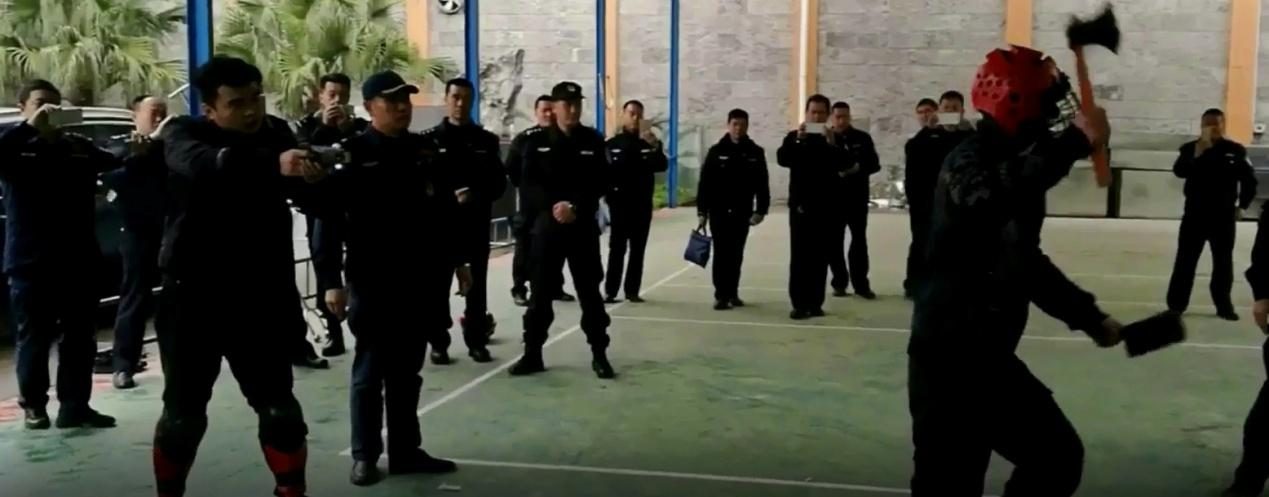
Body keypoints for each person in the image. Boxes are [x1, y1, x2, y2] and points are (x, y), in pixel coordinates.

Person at [908, 45, 1123, 496]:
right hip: (950, 360)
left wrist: (1088, 317)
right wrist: (1074, 143)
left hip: (986, 356)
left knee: (1056, 458)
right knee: (951, 484)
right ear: (1015, 105)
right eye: (1048, 103)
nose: (1056, 115)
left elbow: (1023, 260)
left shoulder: (1020, 165)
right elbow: (992, 198)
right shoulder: (967, 162)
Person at [152, 56, 326, 497]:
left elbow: (310, 199)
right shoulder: (184, 134)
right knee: (183, 417)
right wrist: (274, 165)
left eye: (256, 99)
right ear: (210, 109)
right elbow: (207, 165)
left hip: (259, 294)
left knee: (281, 411)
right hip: (193, 296)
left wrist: (314, 177)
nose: (251, 111)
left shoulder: (277, 134)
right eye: (236, 103)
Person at [313, 70, 466, 487]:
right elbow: (328, 220)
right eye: (391, 100)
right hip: (373, 280)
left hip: (419, 281)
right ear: (369, 107)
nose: (402, 107)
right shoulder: (353, 154)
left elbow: (445, 213)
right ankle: (365, 455)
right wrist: (330, 280)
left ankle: (405, 450)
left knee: (407, 372)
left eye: (405, 100)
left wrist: (460, 262)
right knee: (370, 371)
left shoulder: (424, 151)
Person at [0, 79, 120, 430]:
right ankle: (34, 406)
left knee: (80, 338)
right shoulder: (14, 145)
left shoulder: (77, 147)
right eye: (40, 103)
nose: (50, 110)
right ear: (23, 108)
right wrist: (29, 128)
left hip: (78, 258)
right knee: (34, 337)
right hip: (31, 262)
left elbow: (114, 161)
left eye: (56, 104)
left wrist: (143, 146)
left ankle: (75, 406)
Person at [510, 81, 614, 379]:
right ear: (554, 108)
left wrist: (574, 206)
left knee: (590, 294)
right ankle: (532, 354)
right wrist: (554, 206)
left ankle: (599, 354)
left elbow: (601, 181)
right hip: (547, 228)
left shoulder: (593, 140)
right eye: (566, 104)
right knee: (540, 295)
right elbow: (526, 184)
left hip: (581, 228)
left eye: (576, 104)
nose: (572, 109)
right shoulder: (535, 141)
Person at [421, 77, 506, 364]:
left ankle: (476, 340)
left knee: (477, 288)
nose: (460, 103)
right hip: (440, 228)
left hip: (475, 226)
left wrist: (475, 194)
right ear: (446, 99)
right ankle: (438, 342)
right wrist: (447, 197)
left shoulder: (486, 141)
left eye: (466, 98)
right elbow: (422, 185)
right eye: (455, 97)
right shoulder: (429, 141)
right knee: (436, 288)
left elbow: (498, 184)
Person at [294, 72, 369, 359]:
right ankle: (333, 333)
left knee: (359, 265)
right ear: (321, 96)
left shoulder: (358, 127)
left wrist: (347, 130)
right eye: (332, 95)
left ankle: (361, 325)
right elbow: (305, 154)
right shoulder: (306, 127)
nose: (337, 101)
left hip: (354, 207)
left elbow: (363, 154)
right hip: (321, 207)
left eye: (343, 96)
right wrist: (325, 127)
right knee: (324, 265)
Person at [102, 94, 169, 389]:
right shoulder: (122, 147)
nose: (159, 119)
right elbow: (112, 179)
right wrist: (137, 158)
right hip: (137, 232)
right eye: (153, 113)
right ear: (135, 116)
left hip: (171, 231)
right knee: (135, 298)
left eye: (163, 113)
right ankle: (123, 365)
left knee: (177, 299)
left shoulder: (172, 147)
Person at [1166, 108, 1256, 321]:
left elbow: (1249, 181)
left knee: (1223, 263)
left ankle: (1223, 306)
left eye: (1216, 123)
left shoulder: (1235, 150)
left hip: (1223, 216)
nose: (1212, 128)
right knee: (1185, 261)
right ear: (1201, 125)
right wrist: (1199, 152)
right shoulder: (1190, 149)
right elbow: (1179, 171)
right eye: (1207, 124)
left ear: (1223, 125)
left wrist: (1243, 206)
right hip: (1194, 215)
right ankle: (1176, 306)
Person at [777, 94, 850, 320]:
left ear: (828, 115)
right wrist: (799, 140)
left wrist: (832, 143)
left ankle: (815, 303)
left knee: (820, 258)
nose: (816, 117)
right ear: (806, 113)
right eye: (813, 112)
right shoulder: (794, 137)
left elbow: (847, 163)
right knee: (800, 257)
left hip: (827, 208)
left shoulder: (834, 139)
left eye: (821, 113)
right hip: (800, 208)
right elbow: (783, 159)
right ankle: (799, 304)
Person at [696, 108, 769, 310]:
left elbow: (762, 184)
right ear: (728, 125)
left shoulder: (755, 152)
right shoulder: (716, 151)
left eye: (742, 125)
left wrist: (761, 210)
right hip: (718, 212)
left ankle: (733, 292)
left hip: (742, 212)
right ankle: (721, 295)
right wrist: (702, 212)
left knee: (736, 254)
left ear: (747, 126)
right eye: (735, 124)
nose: (738, 128)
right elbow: (705, 184)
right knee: (721, 253)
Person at [506, 95, 576, 306]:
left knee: (556, 251)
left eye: (551, 109)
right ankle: (520, 289)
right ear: (536, 112)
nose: (548, 114)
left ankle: (555, 287)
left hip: (554, 208)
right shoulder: (525, 139)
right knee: (524, 250)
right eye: (544, 110)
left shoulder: (563, 138)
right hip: (530, 209)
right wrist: (527, 190)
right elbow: (511, 169)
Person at [903, 96, 972, 298]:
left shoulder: (968, 136)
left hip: (958, 202)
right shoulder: (927, 137)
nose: (950, 111)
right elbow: (912, 151)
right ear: (939, 111)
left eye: (954, 108)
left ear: (962, 111)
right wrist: (928, 129)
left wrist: (970, 130)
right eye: (946, 108)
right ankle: (915, 285)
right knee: (922, 242)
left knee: (957, 244)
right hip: (926, 201)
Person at [603, 99, 668, 303]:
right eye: (631, 114)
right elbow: (604, 174)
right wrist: (608, 196)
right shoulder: (612, 144)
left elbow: (662, 166)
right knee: (617, 249)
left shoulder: (648, 143)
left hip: (641, 205)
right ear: (623, 115)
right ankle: (611, 291)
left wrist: (655, 146)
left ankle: (632, 291)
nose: (635, 118)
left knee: (637, 250)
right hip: (619, 205)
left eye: (639, 115)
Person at [825, 101, 880, 300]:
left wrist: (858, 168)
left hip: (857, 198)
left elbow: (874, 164)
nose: (841, 121)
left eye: (845, 117)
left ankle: (861, 284)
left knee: (859, 242)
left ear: (850, 117)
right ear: (832, 117)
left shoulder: (862, 138)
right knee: (834, 243)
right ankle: (839, 282)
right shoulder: (825, 139)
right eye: (837, 117)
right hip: (833, 200)